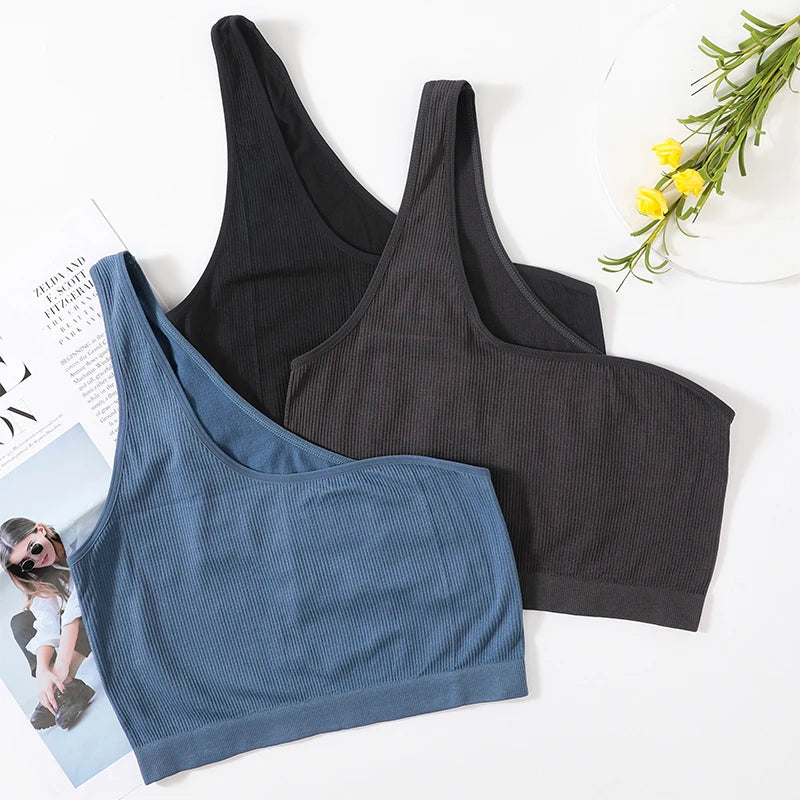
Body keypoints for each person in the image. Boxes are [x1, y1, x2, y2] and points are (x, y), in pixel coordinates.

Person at [1, 517, 96, 730]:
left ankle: (64, 685)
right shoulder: (42, 568)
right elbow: (47, 621)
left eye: (34, 548)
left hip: (107, 605)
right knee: (21, 622)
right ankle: (62, 690)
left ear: (41, 530)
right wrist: (43, 672)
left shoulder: (80, 538)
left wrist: (61, 668)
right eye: (27, 563)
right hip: (75, 616)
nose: (37, 559)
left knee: (85, 609)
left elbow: (75, 609)